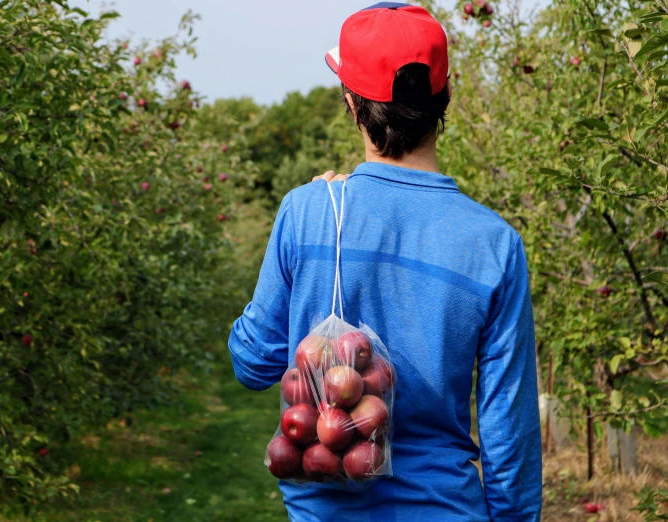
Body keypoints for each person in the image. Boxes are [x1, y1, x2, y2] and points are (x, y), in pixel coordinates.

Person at [228, 3, 542, 521]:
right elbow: (509, 433)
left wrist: (306, 222)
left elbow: (252, 363)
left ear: (352, 105)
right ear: (444, 98)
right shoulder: (494, 244)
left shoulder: (307, 213)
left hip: (326, 503)